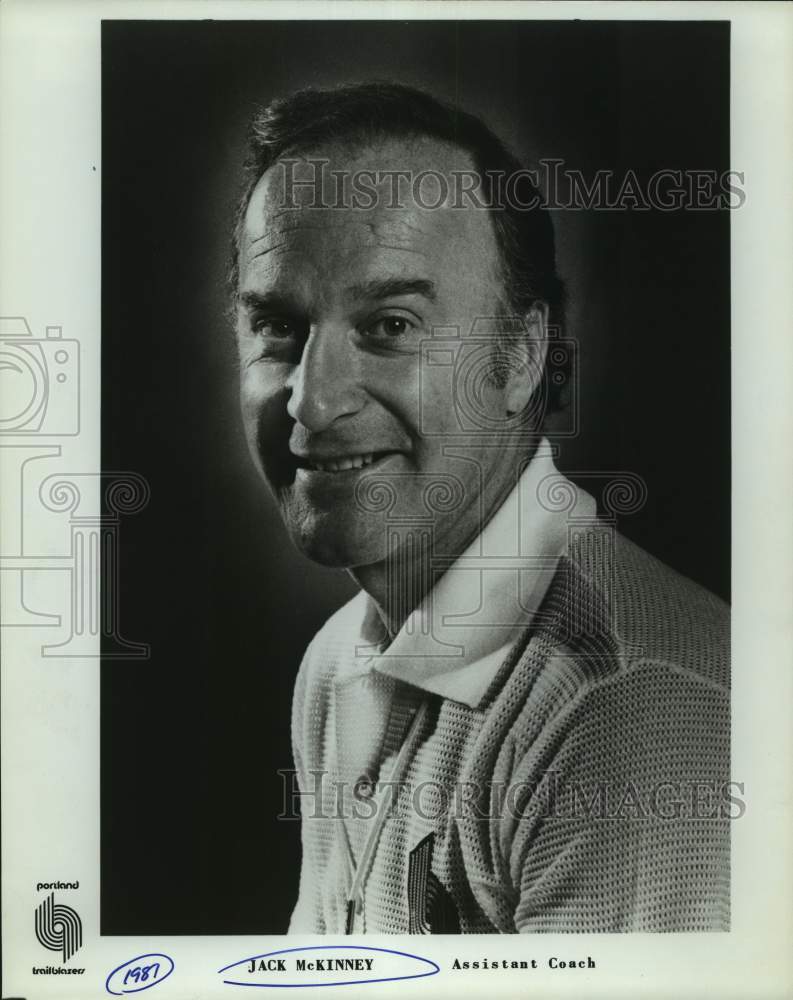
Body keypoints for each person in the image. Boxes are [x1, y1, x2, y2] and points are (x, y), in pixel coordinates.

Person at [231, 82, 730, 934]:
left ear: (521, 356)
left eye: (390, 325)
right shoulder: (334, 666)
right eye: (278, 327)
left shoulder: (629, 712)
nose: (312, 404)